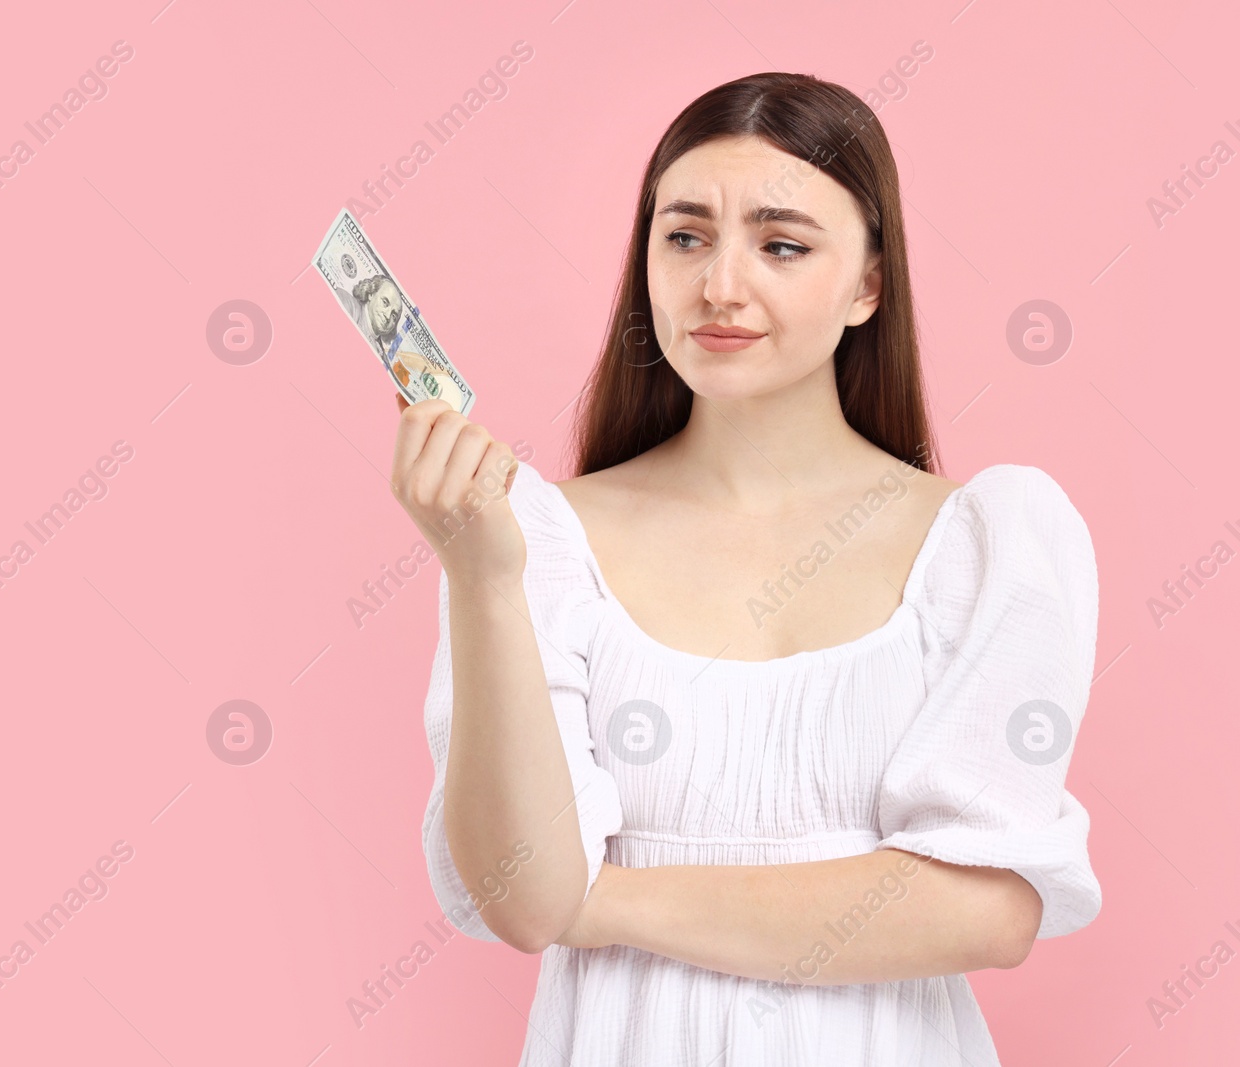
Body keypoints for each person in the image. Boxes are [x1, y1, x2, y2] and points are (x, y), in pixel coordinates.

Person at [390, 71, 1102, 1066]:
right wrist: (479, 580)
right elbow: (522, 893)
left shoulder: (991, 542)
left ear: (868, 283)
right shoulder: (535, 541)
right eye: (683, 236)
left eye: (780, 244)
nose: (719, 285)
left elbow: (985, 908)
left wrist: (602, 898)